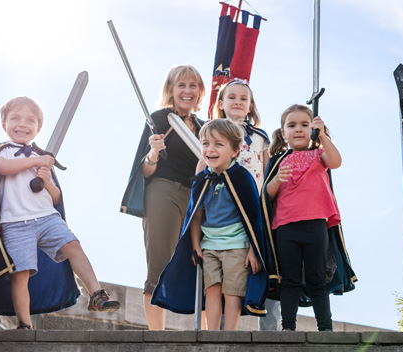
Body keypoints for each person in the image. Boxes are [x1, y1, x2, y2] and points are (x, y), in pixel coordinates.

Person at [0, 96, 119, 330]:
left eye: (30, 120)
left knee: (73, 245)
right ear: (4, 124)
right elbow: (1, 167)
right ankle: (25, 324)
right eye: (15, 118)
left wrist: (47, 180)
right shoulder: (2, 150)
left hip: (47, 218)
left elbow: (56, 199)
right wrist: (36, 161)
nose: (22, 124)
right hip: (14, 224)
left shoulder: (42, 158)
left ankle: (96, 294)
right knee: (20, 273)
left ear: (38, 128)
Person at [151, 118, 268, 330]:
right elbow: (195, 214)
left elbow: (253, 216)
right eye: (205, 144)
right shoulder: (202, 179)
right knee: (211, 289)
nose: (210, 149)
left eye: (218, 144)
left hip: (237, 245)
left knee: (232, 291)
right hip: (210, 246)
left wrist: (254, 249)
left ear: (234, 150)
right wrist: (195, 245)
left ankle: (229, 333)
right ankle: (212, 332)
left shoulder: (242, 177)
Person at [120, 64, 206, 330]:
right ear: (171, 89)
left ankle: (208, 332)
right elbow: (145, 170)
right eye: (181, 85)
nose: (187, 90)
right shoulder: (160, 119)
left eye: (193, 85)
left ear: (200, 91)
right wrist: (154, 153)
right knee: (160, 264)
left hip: (196, 200)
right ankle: (157, 335)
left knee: (203, 264)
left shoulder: (205, 128)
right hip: (164, 192)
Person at [262, 104, 357, 332]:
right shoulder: (277, 160)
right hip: (286, 228)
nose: (298, 129)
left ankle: (325, 327)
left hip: (316, 225)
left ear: (312, 129)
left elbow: (336, 161)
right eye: (292, 125)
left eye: (305, 125)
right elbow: (266, 194)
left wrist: (322, 135)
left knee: (316, 278)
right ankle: (288, 328)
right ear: (283, 132)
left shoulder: (319, 155)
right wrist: (276, 180)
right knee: (290, 279)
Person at [213, 79, 280, 331]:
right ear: (221, 104)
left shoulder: (260, 138)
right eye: (232, 97)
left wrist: (268, 207)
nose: (238, 102)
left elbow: (268, 174)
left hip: (255, 209)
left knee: (264, 265)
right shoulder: (211, 133)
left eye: (244, 98)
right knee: (224, 273)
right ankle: (221, 333)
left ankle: (271, 334)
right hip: (225, 210)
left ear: (251, 105)